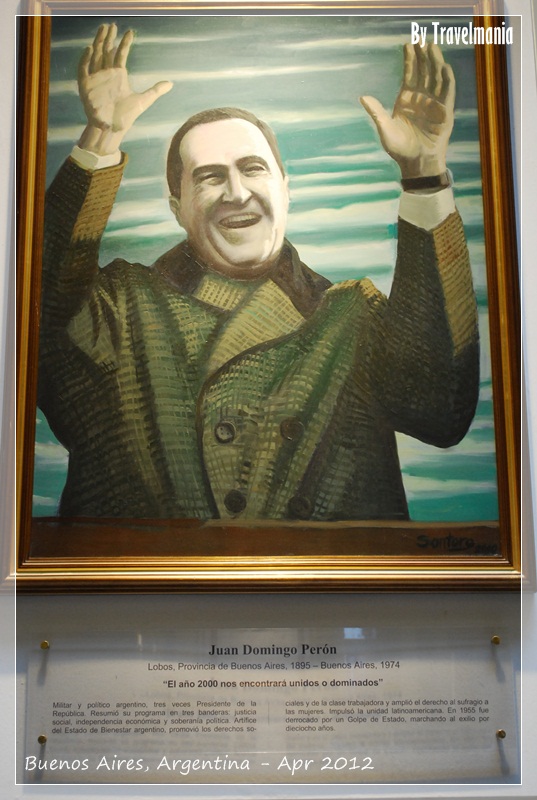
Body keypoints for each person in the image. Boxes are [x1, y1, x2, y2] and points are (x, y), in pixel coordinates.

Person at [38, 24, 479, 521]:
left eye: (253, 168)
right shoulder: (118, 308)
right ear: (177, 208)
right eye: (209, 177)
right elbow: (35, 315)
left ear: (286, 190)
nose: (237, 193)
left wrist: (424, 176)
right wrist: (101, 137)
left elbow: (441, 412)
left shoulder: (352, 316)